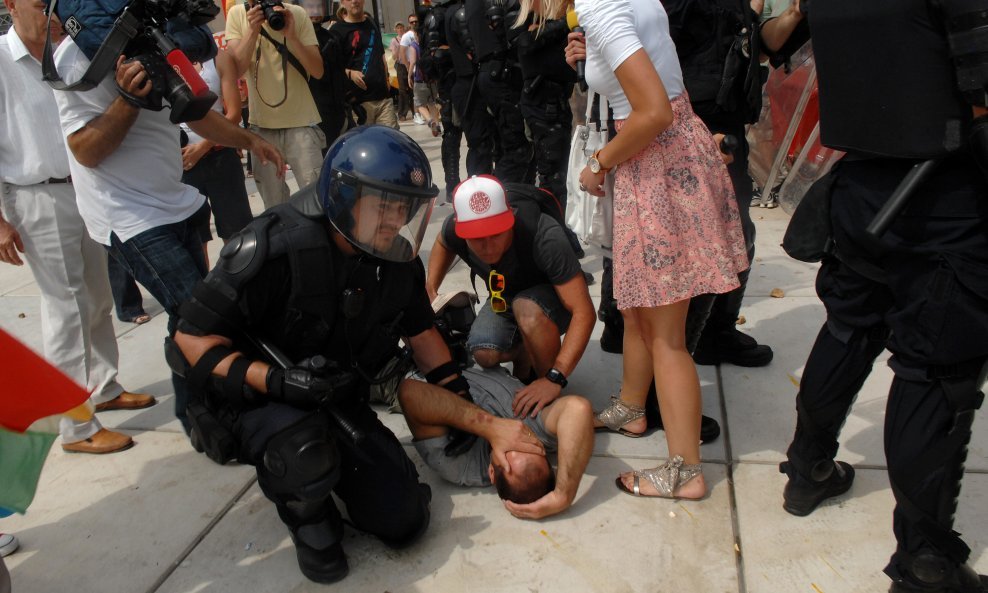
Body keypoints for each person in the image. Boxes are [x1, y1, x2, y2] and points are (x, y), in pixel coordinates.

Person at [172, 126, 509, 584]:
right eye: (384, 205)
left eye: (406, 207)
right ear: (343, 196)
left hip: (335, 397)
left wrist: (461, 404)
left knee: (404, 521)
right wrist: (276, 381)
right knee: (303, 453)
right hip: (264, 397)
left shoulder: (392, 257)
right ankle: (308, 519)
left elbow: (421, 332)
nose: (396, 220)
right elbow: (189, 339)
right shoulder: (274, 247)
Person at [779, 1, 988, 591]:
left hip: (866, 191)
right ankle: (927, 562)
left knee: (850, 328)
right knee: (935, 373)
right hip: (942, 202)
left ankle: (806, 468)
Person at [51, 21, 284, 434]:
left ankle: (196, 416)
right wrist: (127, 98)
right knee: (204, 315)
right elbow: (85, 151)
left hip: (176, 202)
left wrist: (248, 140)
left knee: (188, 321)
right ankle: (215, 415)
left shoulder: (157, 38)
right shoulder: (77, 53)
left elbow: (196, 114)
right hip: (126, 215)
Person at [561, 0, 748, 498]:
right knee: (639, 304)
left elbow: (653, 112)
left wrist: (598, 163)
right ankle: (633, 407)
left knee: (667, 334)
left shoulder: (599, 6)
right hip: (662, 159)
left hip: (657, 162)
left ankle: (685, 471)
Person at [1, 0, 155, 455]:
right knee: (65, 307)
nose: (48, 11)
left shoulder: (72, 52)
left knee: (98, 297)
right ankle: (75, 426)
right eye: (36, 2)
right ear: (10, 5)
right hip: (36, 196)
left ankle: (103, 387)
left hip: (84, 186)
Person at [426, 175, 595, 417]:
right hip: (506, 296)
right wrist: (431, 288)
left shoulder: (543, 234)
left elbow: (583, 311)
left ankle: (547, 391)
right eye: (477, 238)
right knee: (484, 353)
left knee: (527, 309)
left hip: (549, 302)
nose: (488, 246)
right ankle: (524, 354)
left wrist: (555, 377)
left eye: (496, 233)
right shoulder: (455, 228)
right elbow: (443, 241)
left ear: (510, 220)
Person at [400, 366, 594, 519]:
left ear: (492, 472)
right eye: (530, 446)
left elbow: (410, 392)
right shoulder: (532, 433)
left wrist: (490, 427)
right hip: (463, 349)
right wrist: (563, 495)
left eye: (511, 448)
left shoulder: (460, 464)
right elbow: (578, 408)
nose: (517, 437)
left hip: (403, 366)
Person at [226, 0, 326, 208]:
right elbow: (234, 71)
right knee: (274, 207)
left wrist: (292, 36)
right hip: (262, 128)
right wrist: (252, 31)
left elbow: (317, 70)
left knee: (316, 202)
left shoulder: (296, 13)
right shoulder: (237, 15)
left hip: (302, 124)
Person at [180, 50, 255, 249]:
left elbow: (234, 114)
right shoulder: (164, 60)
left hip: (221, 157)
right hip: (181, 163)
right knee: (194, 240)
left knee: (238, 236)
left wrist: (203, 146)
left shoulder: (218, 58)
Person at [508, 10, 577, 213]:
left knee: (558, 171)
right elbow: (523, 43)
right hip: (543, 103)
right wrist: (565, 23)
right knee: (552, 173)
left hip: (561, 100)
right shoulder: (524, 14)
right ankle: (552, 226)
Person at [466, 0, 534, 183]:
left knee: (505, 147)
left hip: (492, 74)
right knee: (516, 148)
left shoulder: (470, 7)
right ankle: (506, 200)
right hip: (502, 74)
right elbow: (510, 35)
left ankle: (509, 197)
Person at [445, 0, 496, 177]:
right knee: (480, 145)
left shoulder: (458, 10)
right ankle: (477, 192)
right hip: (470, 85)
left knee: (484, 145)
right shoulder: (461, 12)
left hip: (471, 84)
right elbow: (474, 49)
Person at [331, 0, 399, 128]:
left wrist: (386, 78)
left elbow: (381, 54)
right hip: (358, 105)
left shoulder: (372, 24)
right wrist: (349, 73)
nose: (354, 1)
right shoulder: (337, 31)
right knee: (364, 145)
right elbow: (331, 67)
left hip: (383, 99)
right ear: (342, 2)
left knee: (389, 142)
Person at [421, 0, 464, 201]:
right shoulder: (436, 16)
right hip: (451, 83)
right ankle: (453, 184)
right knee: (452, 135)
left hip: (462, 81)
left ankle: (455, 185)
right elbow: (432, 56)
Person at [403, 17, 442, 137]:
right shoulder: (429, 45)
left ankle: (431, 122)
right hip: (431, 79)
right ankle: (437, 125)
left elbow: (413, 61)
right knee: (431, 102)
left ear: (415, 35)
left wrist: (409, 75)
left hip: (419, 79)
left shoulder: (414, 46)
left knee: (419, 104)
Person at [391, 21, 413, 120]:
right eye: (398, 28)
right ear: (395, 30)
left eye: (401, 27)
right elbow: (393, 57)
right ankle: (402, 113)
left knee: (412, 88)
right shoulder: (394, 40)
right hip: (400, 65)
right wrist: (399, 47)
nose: (400, 30)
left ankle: (415, 112)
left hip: (409, 64)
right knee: (402, 90)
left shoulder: (408, 37)